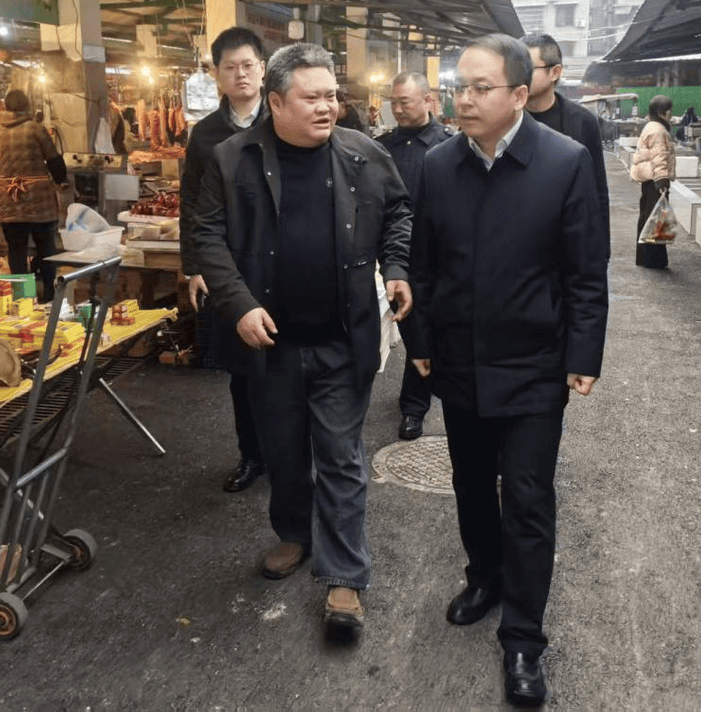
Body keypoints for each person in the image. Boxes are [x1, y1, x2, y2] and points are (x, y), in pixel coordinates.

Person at [404, 34, 608, 708]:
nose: (463, 99)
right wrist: (420, 340)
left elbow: (586, 271)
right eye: (458, 86)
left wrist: (583, 354)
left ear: (520, 94)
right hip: (459, 358)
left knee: (527, 496)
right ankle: (484, 577)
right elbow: (423, 264)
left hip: (534, 364)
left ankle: (523, 637)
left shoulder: (565, 162)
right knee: (469, 482)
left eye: (480, 87)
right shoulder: (439, 165)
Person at [194, 42, 412, 637]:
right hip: (270, 343)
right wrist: (238, 303)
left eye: (332, 96)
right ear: (275, 102)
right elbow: (206, 237)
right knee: (284, 451)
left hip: (342, 339)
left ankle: (344, 574)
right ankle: (294, 533)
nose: (327, 108)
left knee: (340, 455)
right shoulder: (232, 159)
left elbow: (400, 212)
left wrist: (396, 267)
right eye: (312, 98)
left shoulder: (363, 153)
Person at [180, 27, 270, 493]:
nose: (240, 74)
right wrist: (193, 265)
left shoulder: (284, 118)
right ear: (217, 74)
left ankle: (293, 454)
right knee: (242, 371)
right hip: (229, 265)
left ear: (263, 69)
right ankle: (251, 455)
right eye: (230, 67)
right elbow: (191, 202)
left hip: (282, 261)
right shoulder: (206, 134)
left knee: (289, 367)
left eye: (248, 65)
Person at [377, 72, 453, 440]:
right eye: (393, 102)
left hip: (436, 254)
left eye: (404, 102)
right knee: (410, 324)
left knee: (429, 326)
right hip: (395, 255)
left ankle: (414, 406)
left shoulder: (449, 147)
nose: (397, 109)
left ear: (428, 100)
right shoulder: (381, 148)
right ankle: (420, 391)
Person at [0, 89, 68, 301]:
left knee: (16, 251)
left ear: (5, 107)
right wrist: (61, 180)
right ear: (26, 106)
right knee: (46, 249)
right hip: (40, 202)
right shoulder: (36, 129)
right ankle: (50, 297)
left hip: (8, 200)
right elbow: (53, 158)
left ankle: (24, 299)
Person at [520, 33, 610, 250]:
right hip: (519, 242)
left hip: (568, 241)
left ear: (555, 72)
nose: (518, 75)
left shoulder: (583, 122)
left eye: (527, 68)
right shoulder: (504, 120)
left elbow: (598, 189)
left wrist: (601, 250)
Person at [631, 95, 677, 270]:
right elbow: (659, 157)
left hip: (649, 180)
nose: (670, 113)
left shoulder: (651, 126)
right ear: (660, 112)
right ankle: (653, 260)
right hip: (655, 180)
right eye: (668, 110)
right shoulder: (658, 131)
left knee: (648, 218)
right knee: (656, 220)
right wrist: (662, 180)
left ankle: (645, 258)